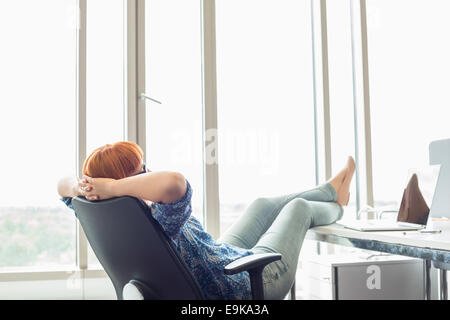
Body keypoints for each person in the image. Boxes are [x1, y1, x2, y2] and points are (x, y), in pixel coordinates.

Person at [57, 141, 355, 300]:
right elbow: (175, 182)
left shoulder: (112, 220)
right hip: (245, 283)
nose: (149, 172)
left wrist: (90, 187)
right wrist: (113, 187)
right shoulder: (157, 218)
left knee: (262, 204)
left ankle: (329, 188)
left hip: (217, 260)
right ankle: (338, 203)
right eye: (142, 169)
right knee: (299, 209)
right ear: (125, 181)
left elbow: (61, 185)